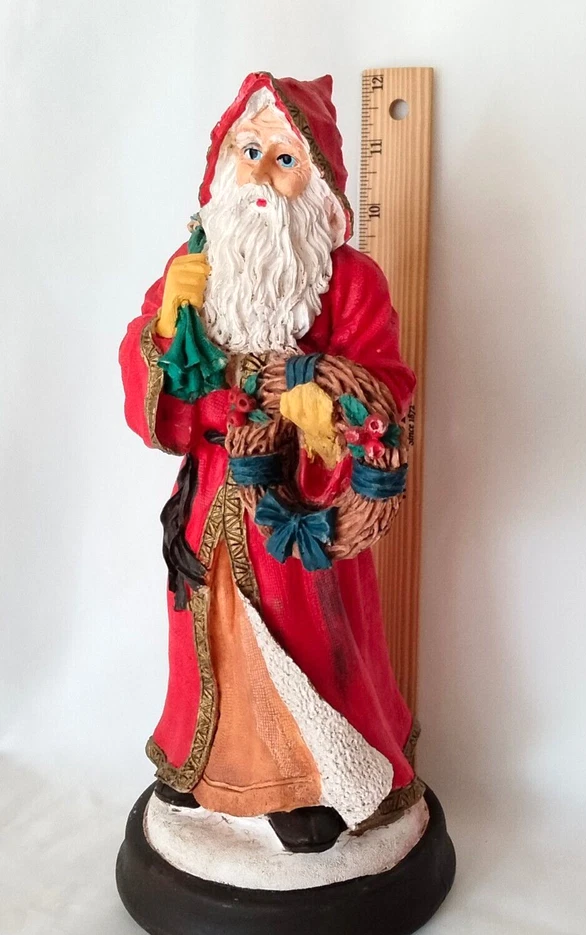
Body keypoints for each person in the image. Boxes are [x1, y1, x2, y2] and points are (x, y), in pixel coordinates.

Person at [119, 72, 423, 853]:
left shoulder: (350, 281)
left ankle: (308, 781)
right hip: (212, 493)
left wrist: (326, 410)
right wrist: (166, 327)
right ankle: (208, 762)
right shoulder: (194, 266)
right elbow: (156, 394)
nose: (259, 174)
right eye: (247, 151)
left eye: (283, 159)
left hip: (301, 498)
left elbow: (384, 385)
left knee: (304, 639)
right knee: (208, 633)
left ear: (317, 184)